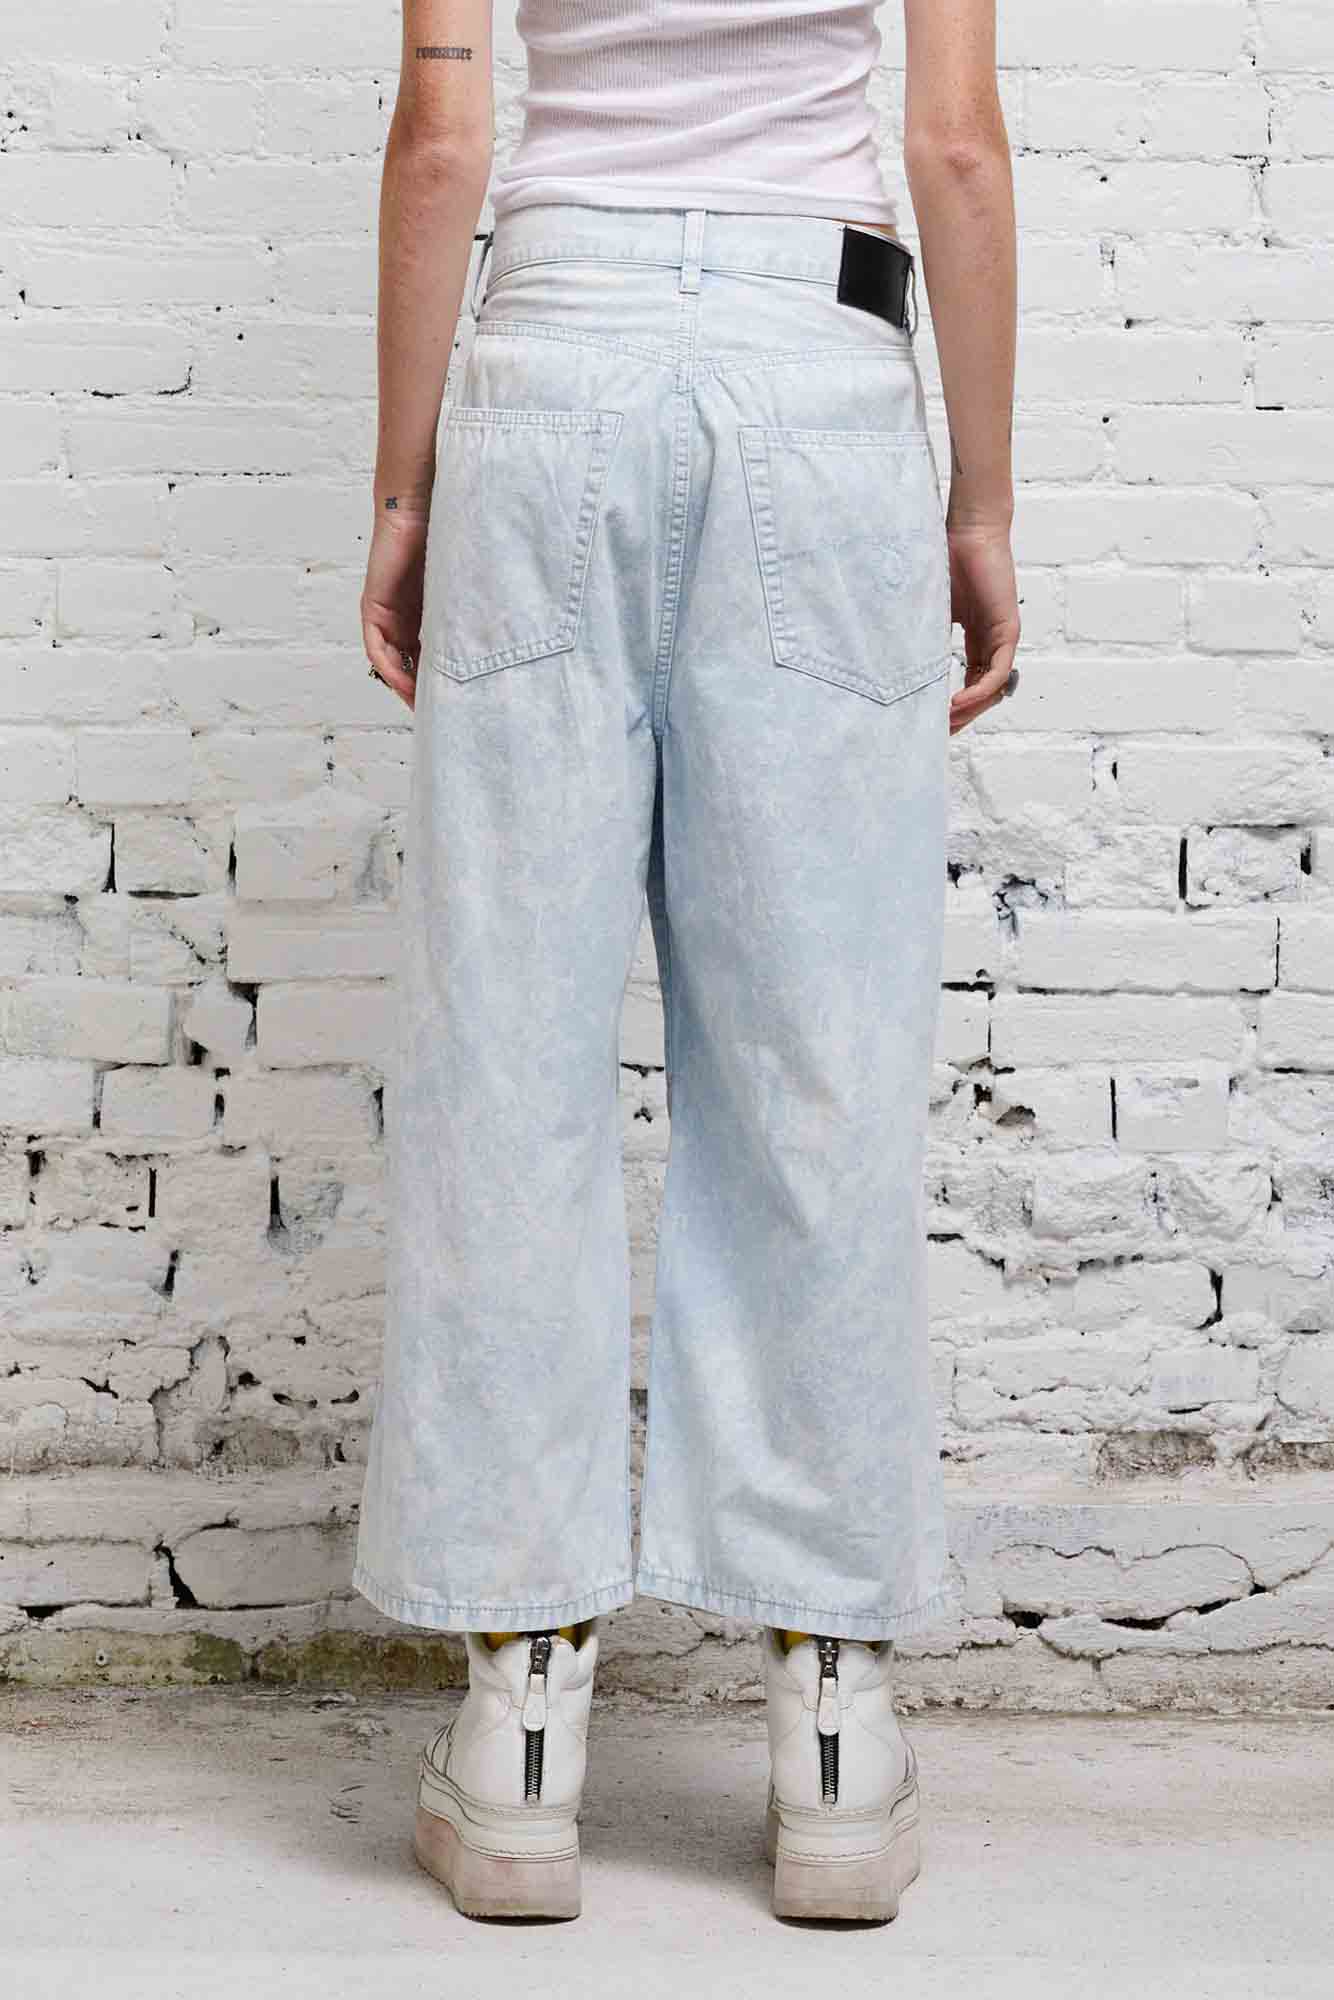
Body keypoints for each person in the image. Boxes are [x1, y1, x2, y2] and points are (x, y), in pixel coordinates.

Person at [353, 0, 1018, 1925]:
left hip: (550, 362)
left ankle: (521, 1726)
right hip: (821, 374)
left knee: (509, 1060)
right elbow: (953, 147)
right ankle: (833, 1732)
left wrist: (403, 496)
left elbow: (442, 138)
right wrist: (978, 503)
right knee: (819, 1059)